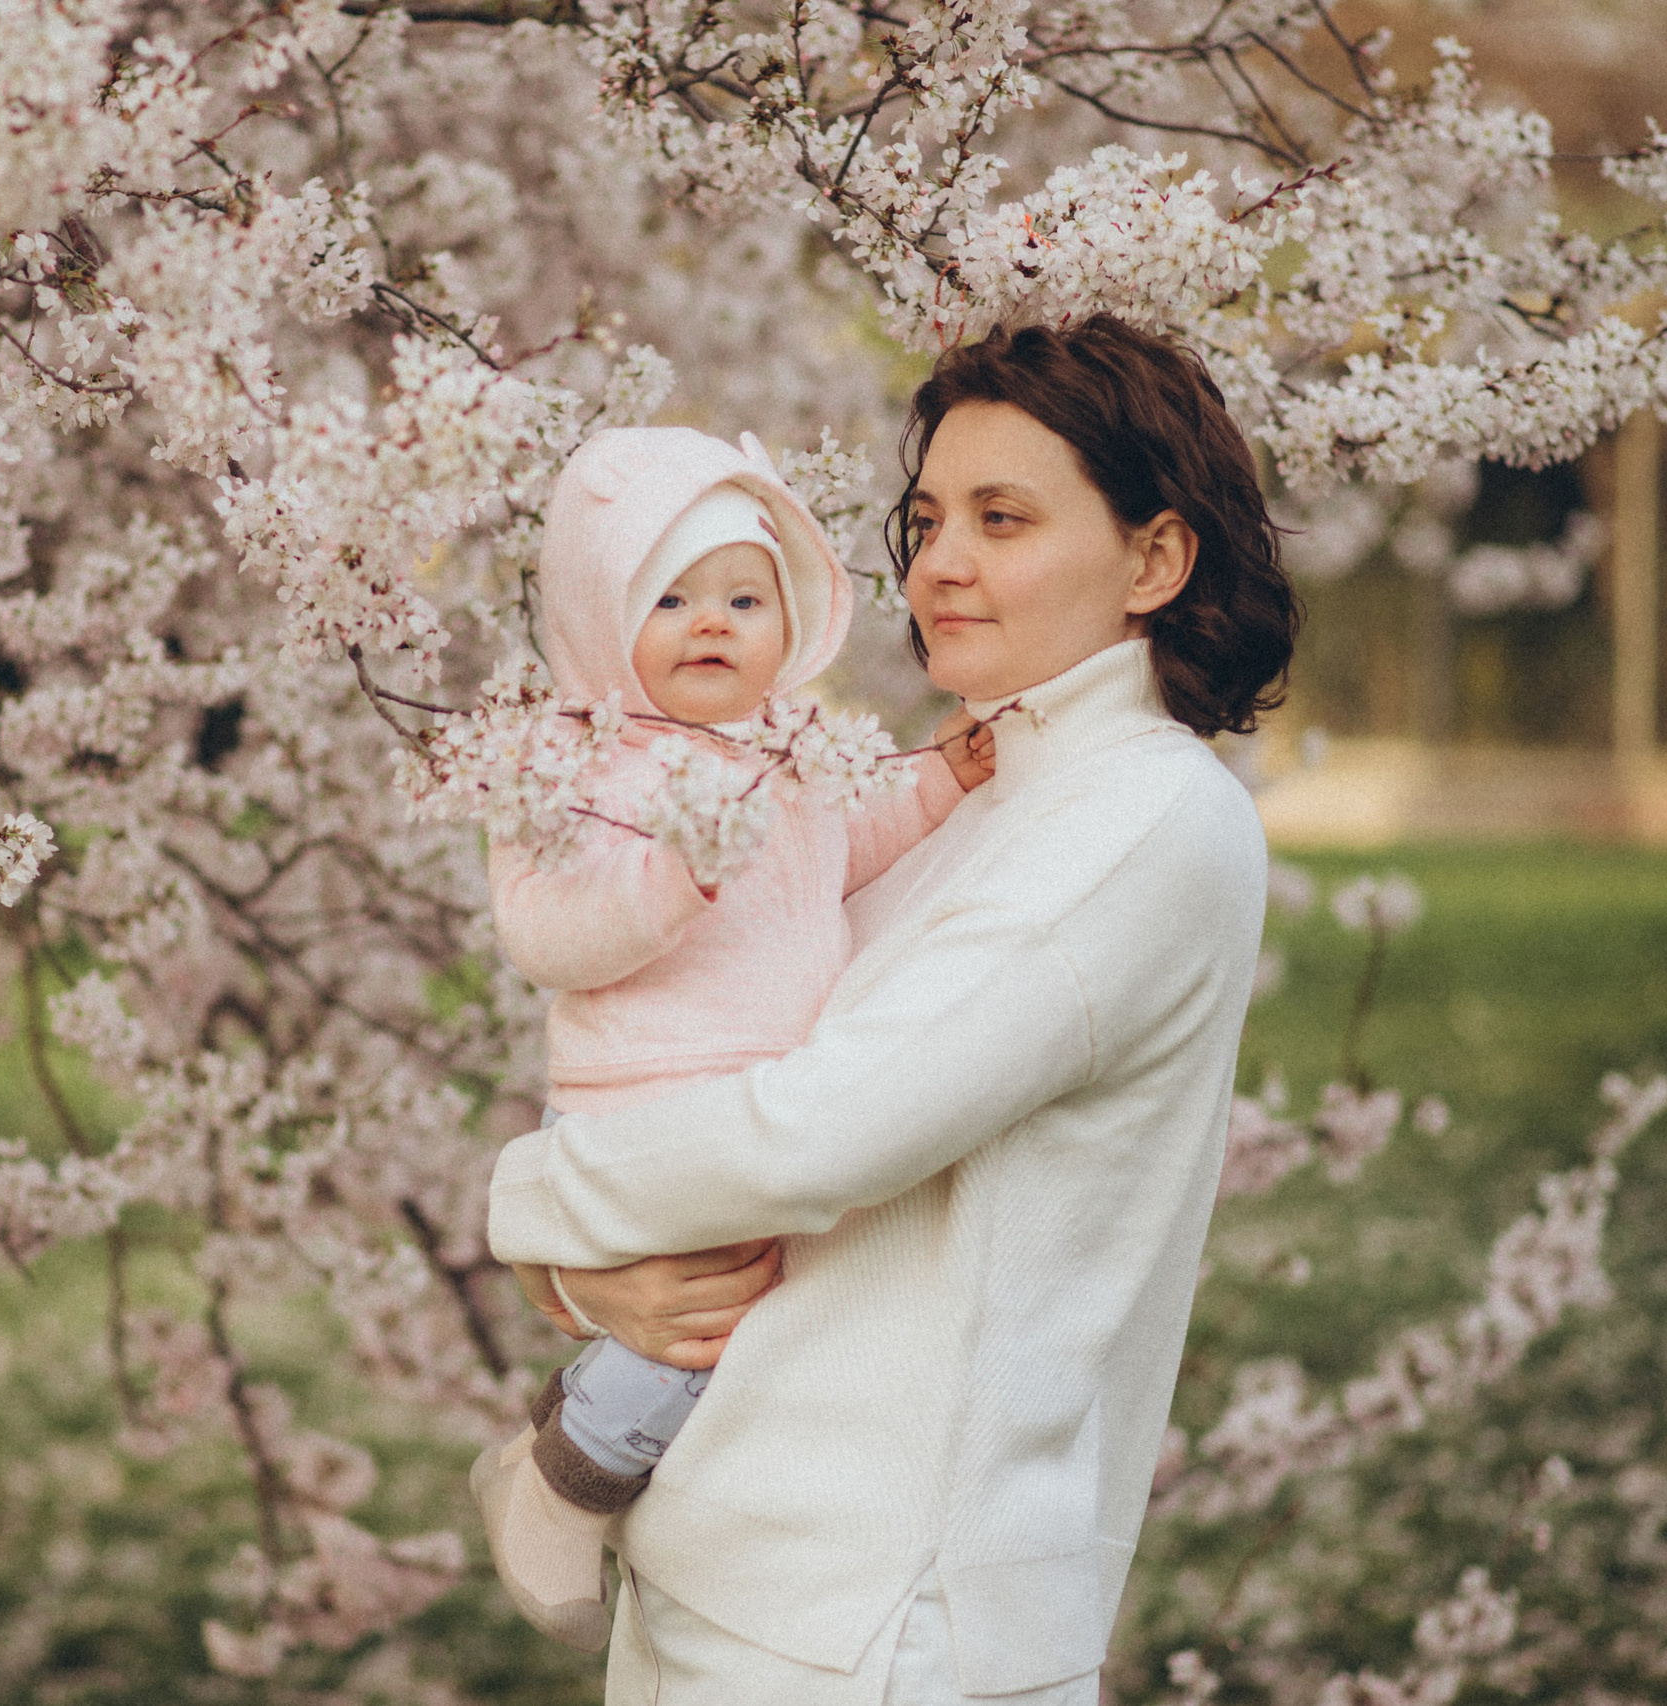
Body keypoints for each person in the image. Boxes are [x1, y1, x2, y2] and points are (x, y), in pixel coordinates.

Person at [486, 315, 1298, 1705]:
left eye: (1003, 518)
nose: (940, 564)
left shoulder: (1137, 817)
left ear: (1156, 559)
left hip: (878, 1628)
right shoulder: (988, 791)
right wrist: (589, 1277)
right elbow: (729, 1056)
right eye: (926, 520)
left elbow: (814, 1132)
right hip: (735, 1574)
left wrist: (529, 1201)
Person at [472, 425, 996, 1650]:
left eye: (744, 597)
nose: (713, 623)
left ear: (790, 614)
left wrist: (938, 783)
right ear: (603, 615)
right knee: (702, 1325)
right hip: (638, 1102)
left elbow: (838, 851)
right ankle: (562, 1478)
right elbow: (544, 930)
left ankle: (586, 1461)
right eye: (670, 596)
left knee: (731, 1326)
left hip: (756, 1100)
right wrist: (669, 876)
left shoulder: (793, 746)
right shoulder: (574, 757)